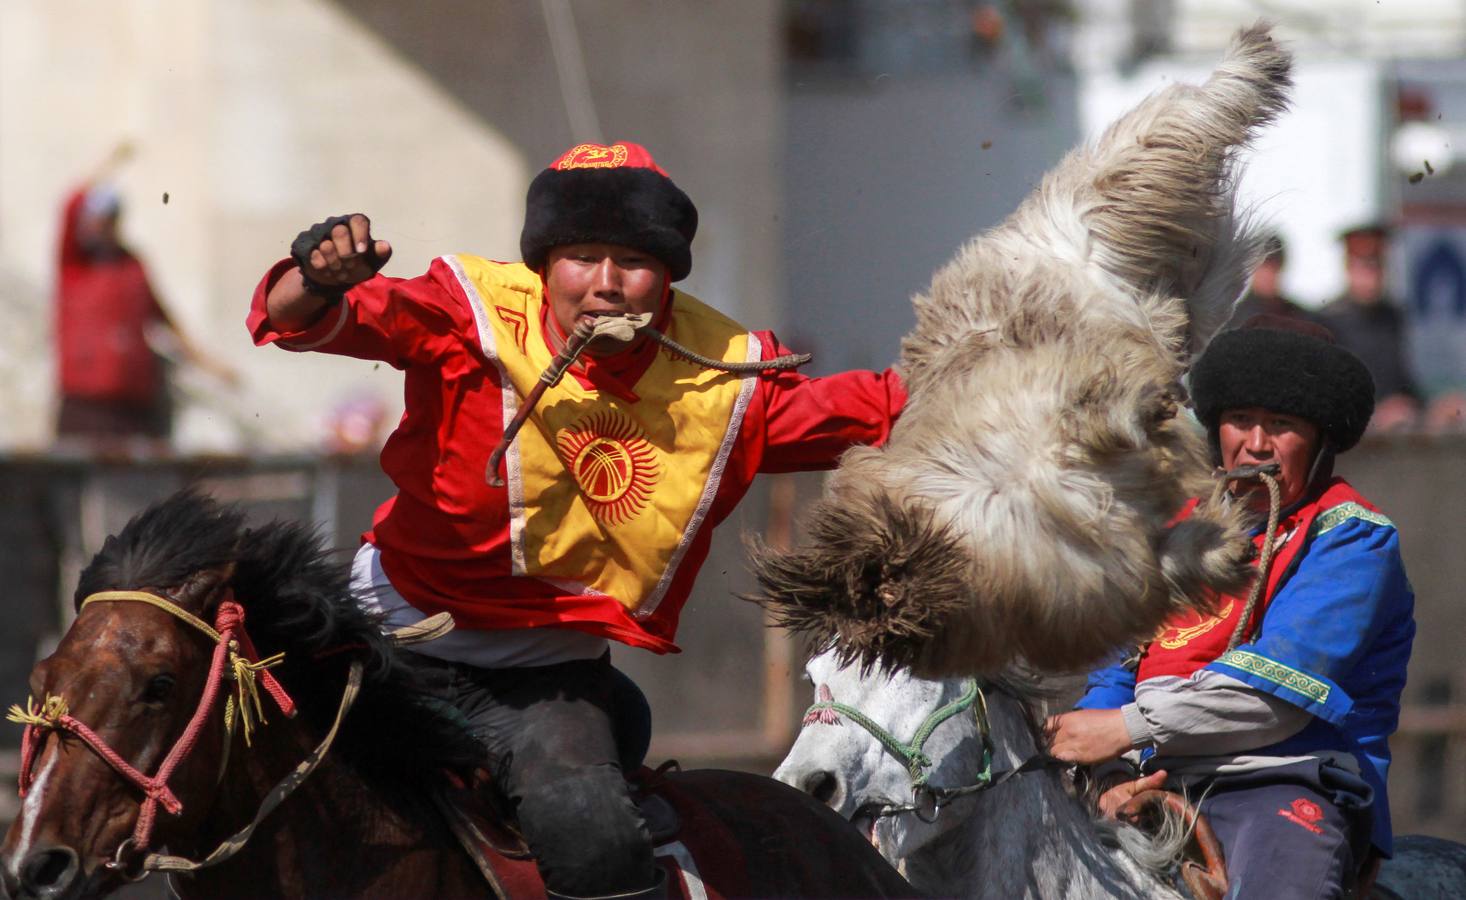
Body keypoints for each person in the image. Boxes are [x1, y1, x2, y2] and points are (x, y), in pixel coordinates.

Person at [247, 141, 905, 899]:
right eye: (582, 256)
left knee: (596, 844)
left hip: (545, 684)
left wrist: (1019, 366)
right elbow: (300, 318)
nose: (605, 285)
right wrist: (315, 278)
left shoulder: (728, 379)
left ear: (666, 277)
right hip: (378, 639)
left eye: (632, 261)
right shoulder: (470, 312)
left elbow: (891, 409)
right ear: (544, 265)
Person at [1046, 316, 1415, 899]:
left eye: (1283, 425)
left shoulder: (1351, 539)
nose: (1257, 443)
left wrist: (1123, 730)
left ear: (1318, 440)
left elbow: (1276, 700)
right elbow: (1117, 670)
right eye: (1241, 419)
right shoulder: (1175, 532)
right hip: (1155, 780)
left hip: (1285, 784)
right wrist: (1110, 772)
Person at [55, 144, 234, 446]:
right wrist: (110, 162)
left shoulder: (132, 265)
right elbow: (69, 205)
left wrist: (207, 362)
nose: (102, 225)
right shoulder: (75, 264)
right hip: (85, 406)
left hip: (132, 407)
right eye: (96, 217)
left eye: (109, 217)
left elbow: (162, 316)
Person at [1317, 224, 1420, 431]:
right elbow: (1326, 395)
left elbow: (1401, 380)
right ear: (1349, 267)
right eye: (1364, 267)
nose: (1371, 276)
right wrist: (1377, 414)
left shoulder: (1392, 316)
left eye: (1377, 266)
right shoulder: (1328, 321)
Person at [1228, 232, 1315, 327]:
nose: (1268, 273)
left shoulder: (1300, 317)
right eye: (1264, 266)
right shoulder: (1233, 320)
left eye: (1273, 266)